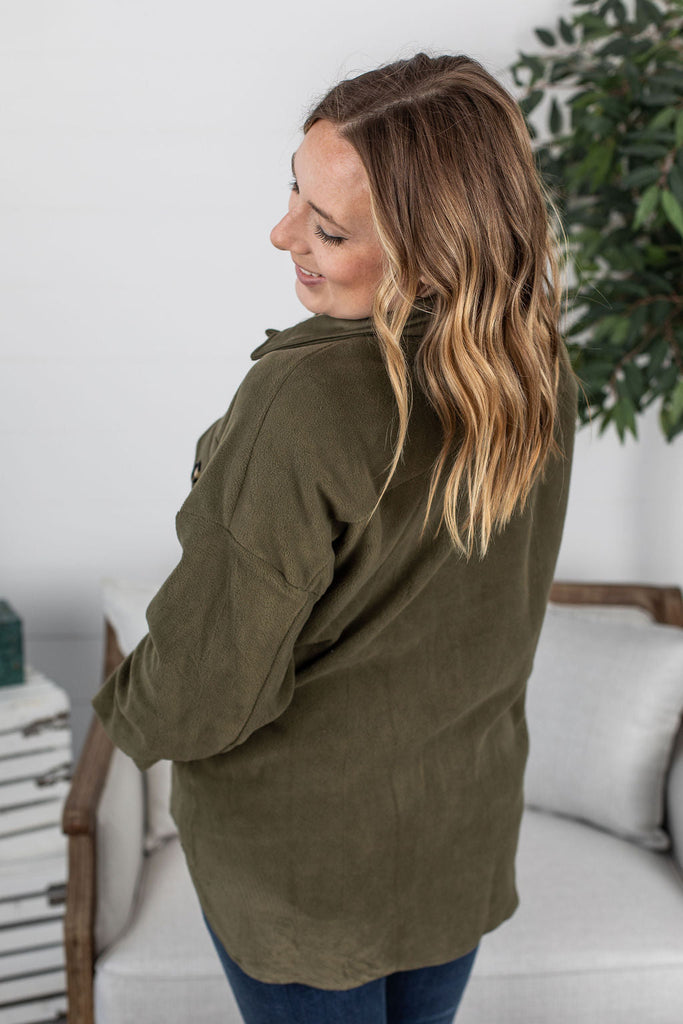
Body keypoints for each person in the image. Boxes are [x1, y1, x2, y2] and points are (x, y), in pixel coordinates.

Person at [92, 51, 579, 1024]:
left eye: (328, 228)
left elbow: (203, 683)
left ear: (433, 252)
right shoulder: (533, 369)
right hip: (455, 841)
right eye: (293, 194)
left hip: (303, 870)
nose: (282, 235)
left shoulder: (304, 399)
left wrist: (121, 716)